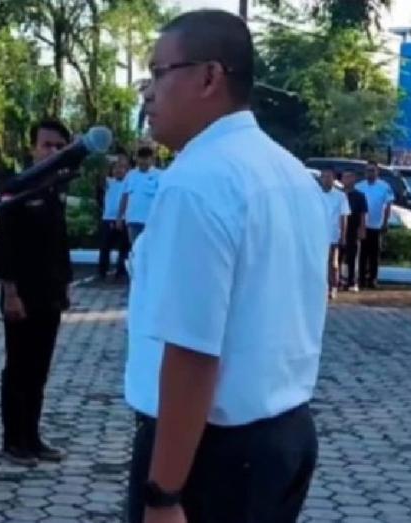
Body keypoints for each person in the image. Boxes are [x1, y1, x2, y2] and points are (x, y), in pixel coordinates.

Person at [125, 10, 328, 523]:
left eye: (158, 72)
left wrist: (164, 494)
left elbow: (192, 352)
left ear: (209, 77)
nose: (148, 92)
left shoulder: (197, 182)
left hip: (210, 459)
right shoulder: (290, 173)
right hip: (284, 438)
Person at [0, 118, 72, 466]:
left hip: (49, 293)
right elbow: (4, 244)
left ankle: (33, 436)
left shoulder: (56, 186)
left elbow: (59, 243)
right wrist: (10, 291)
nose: (52, 152)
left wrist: (65, 284)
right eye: (46, 145)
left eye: (59, 146)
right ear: (32, 147)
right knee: (19, 367)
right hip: (21, 294)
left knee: (39, 369)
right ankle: (14, 440)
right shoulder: (17, 187)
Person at [356, 160, 393, 289]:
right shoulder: (359, 186)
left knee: (374, 254)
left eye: (372, 170)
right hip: (363, 226)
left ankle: (372, 279)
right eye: (368, 170)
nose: (370, 173)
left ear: (377, 171)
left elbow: (388, 206)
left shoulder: (384, 186)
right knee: (362, 254)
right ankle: (361, 280)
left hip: (377, 225)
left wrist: (385, 222)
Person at [117, 146, 164, 244]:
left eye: (146, 158)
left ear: (152, 159)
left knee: (150, 249)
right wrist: (119, 217)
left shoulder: (160, 175)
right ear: (137, 158)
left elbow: (164, 198)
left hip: (151, 221)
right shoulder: (130, 175)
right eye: (141, 158)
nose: (143, 161)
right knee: (135, 250)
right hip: (133, 220)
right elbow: (125, 197)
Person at [98, 151, 130, 281]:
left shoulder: (129, 183)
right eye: (116, 167)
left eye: (122, 167)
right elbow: (100, 173)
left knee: (124, 248)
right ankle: (102, 272)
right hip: (107, 219)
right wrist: (109, 160)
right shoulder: (108, 182)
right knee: (105, 247)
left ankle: (120, 273)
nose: (119, 170)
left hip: (123, 219)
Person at [320, 169, 350, 299]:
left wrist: (343, 235)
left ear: (334, 179)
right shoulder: (316, 194)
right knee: (320, 262)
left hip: (333, 235)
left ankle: (333, 287)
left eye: (329, 177)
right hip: (318, 235)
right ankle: (322, 287)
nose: (326, 179)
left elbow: (344, 216)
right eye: (324, 177)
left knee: (333, 262)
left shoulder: (340, 196)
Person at [341, 170, 368, 291]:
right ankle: (339, 280)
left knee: (352, 256)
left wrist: (362, 229)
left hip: (353, 229)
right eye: (345, 177)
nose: (347, 180)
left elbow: (363, 214)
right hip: (340, 229)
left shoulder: (360, 196)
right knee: (338, 256)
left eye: (349, 177)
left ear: (354, 179)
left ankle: (352, 281)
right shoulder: (339, 194)